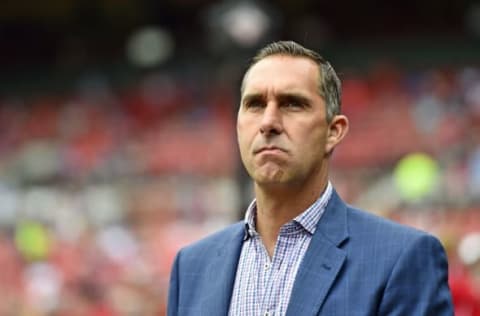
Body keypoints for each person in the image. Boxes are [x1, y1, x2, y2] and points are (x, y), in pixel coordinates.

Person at [167, 41, 453, 316]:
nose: (268, 122)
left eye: (292, 104)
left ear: (334, 131)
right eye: (255, 104)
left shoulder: (402, 257)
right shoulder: (191, 266)